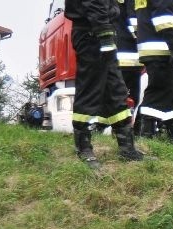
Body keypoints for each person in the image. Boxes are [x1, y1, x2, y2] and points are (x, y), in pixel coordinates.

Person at [64, 0, 145, 167]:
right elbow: (95, 3)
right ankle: (83, 148)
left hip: (101, 31)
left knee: (117, 90)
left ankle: (127, 148)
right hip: (92, 32)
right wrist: (104, 33)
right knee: (90, 90)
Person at [136, 0, 173, 142]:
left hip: (152, 48)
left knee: (169, 91)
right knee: (159, 91)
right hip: (160, 49)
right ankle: (147, 135)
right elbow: (164, 19)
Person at [115, 0, 142, 109]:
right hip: (131, 56)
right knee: (132, 97)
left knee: (118, 96)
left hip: (117, 53)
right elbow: (134, 21)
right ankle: (127, 123)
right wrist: (143, 38)